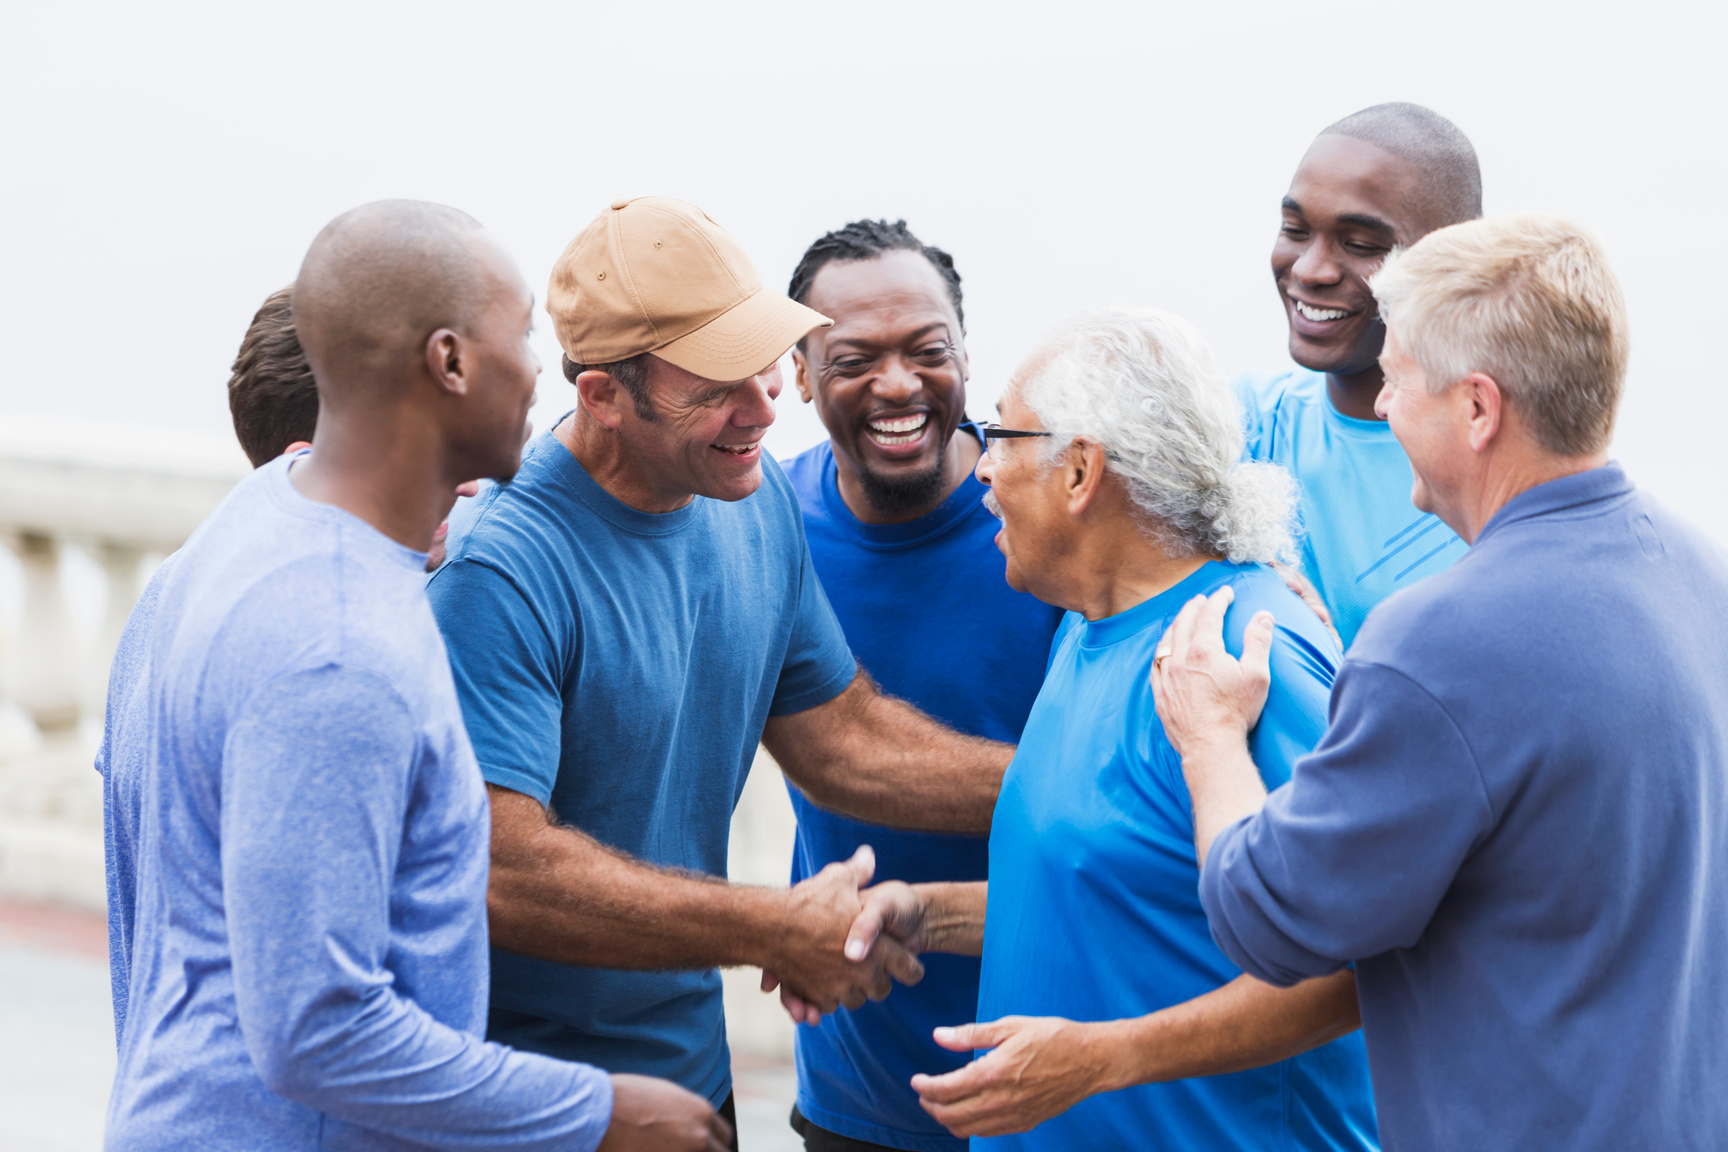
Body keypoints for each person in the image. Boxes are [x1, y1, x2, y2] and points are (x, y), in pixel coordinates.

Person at [103, 199, 730, 1151]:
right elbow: (317, 1030)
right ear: (449, 363)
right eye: (521, 334)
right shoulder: (337, 647)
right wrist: (601, 1111)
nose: (546, 370)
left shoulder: (247, 529)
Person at [424, 198, 1013, 1130]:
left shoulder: (751, 494)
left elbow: (843, 742)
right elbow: (501, 866)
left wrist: (1078, 785)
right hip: (534, 1095)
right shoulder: (501, 566)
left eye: (765, 365)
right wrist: (773, 926)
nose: (764, 407)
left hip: (694, 1066)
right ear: (603, 398)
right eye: (715, 387)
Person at [1154, 215, 1728, 1152]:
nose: (1379, 405)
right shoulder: (1703, 575)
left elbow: (1266, 919)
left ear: (1476, 409)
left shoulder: (1437, 640)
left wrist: (1211, 737)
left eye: (1397, 377)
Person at [848, 307, 1376, 1150]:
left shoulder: (1241, 652)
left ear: (1080, 470)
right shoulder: (1085, 628)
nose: (980, 469)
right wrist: (929, 916)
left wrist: (1103, 1059)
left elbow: (1355, 965)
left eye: (1004, 438)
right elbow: (1130, 892)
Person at [778, 220, 1065, 1152]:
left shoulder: (1063, 509)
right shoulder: (763, 527)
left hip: (1067, 1075)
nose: (898, 385)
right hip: (859, 1090)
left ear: (966, 354)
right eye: (855, 358)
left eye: (926, 352)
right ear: (801, 368)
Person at [1240, 102, 1481, 646]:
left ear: (1456, 257)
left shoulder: (1499, 474)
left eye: (1362, 245)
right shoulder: (1243, 423)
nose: (1309, 269)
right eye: (1295, 229)